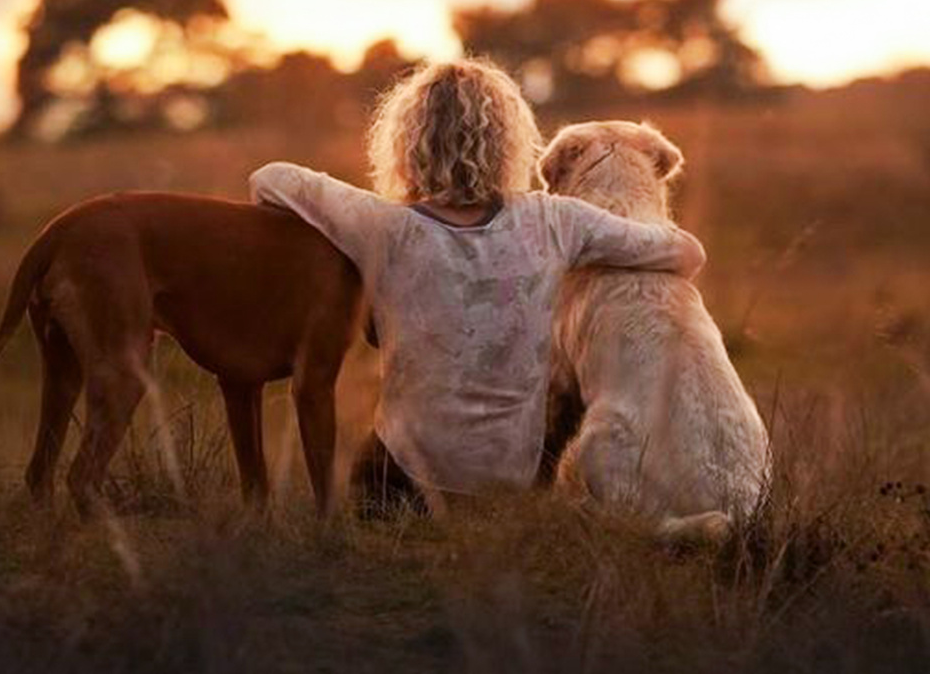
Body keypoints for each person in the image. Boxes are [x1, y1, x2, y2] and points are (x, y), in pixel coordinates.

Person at [249, 59, 705, 514]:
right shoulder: (556, 220)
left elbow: (269, 179)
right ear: (511, 145)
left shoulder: (381, 225)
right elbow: (687, 253)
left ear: (407, 144)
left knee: (375, 462)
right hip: (517, 484)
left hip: (407, 484)